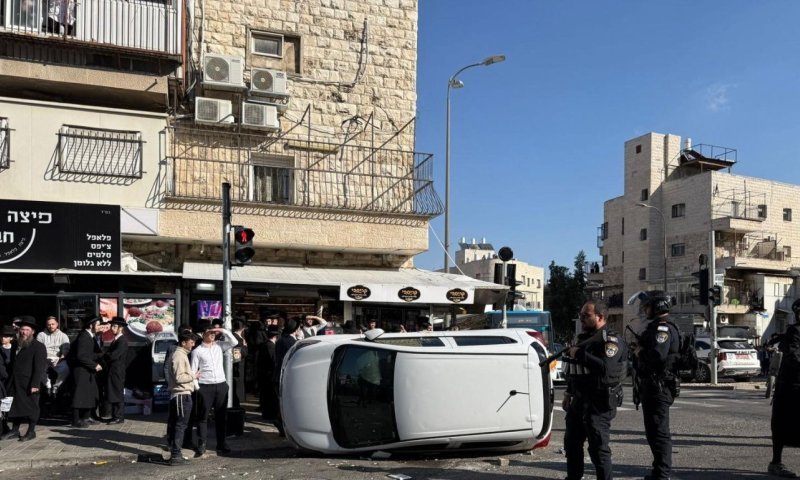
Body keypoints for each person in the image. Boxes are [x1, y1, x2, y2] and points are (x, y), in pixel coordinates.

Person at [561, 300, 626, 480]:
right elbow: (576, 370)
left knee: (598, 448)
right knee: (572, 443)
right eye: (581, 315)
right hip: (580, 399)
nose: (581, 318)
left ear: (600, 317)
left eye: (586, 315)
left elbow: (605, 367)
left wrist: (579, 353)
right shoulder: (584, 339)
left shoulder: (611, 340)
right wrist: (569, 392)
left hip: (599, 400)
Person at [631, 292, 680, 480]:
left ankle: (662, 474)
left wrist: (639, 351)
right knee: (653, 431)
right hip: (653, 385)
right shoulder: (656, 327)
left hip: (659, 386)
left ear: (657, 307)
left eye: (648, 306)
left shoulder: (662, 329)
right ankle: (658, 470)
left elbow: (657, 357)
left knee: (659, 432)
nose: (645, 309)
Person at [190, 321, 238, 456]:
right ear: (202, 334)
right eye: (209, 332)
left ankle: (221, 444)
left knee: (221, 417)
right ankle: (202, 444)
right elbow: (193, 372)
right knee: (203, 417)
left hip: (221, 385)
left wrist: (222, 330)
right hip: (205, 387)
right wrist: (198, 388)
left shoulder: (219, 346)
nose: (212, 334)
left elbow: (234, 342)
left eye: (213, 332)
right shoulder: (197, 351)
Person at [769, 298, 800, 477]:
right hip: (791, 386)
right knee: (782, 425)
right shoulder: (794, 331)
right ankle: (776, 462)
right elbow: (794, 356)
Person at [2, 316, 47, 442]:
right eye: (22, 329)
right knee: (16, 406)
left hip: (30, 383)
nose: (24, 332)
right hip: (15, 382)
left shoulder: (38, 346)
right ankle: (15, 430)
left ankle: (31, 431)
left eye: (27, 330)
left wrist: (35, 384)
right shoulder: (16, 344)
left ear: (32, 332)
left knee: (32, 407)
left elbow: (39, 368)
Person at [166, 331, 199, 466]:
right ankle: (176, 455)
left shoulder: (181, 354)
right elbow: (179, 378)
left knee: (178, 425)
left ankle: (176, 454)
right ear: (184, 342)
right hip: (181, 395)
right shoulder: (179, 356)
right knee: (180, 426)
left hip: (181, 395)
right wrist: (194, 376)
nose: (193, 345)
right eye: (191, 342)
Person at [69, 316, 104, 428]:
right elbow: (81, 356)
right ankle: (75, 420)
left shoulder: (90, 336)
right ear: (91, 325)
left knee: (90, 394)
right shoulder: (84, 336)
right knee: (79, 395)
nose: (99, 327)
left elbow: (89, 354)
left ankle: (86, 417)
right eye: (97, 325)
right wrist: (94, 365)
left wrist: (101, 355)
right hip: (80, 371)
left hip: (87, 370)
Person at [273, 317, 302, 435]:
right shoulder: (292, 342)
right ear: (296, 329)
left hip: (278, 373)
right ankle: (281, 422)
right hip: (286, 376)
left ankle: (281, 422)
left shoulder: (281, 339)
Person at [36, 316, 70, 397]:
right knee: (38, 368)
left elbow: (66, 349)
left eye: (53, 324)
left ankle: (56, 386)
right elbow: (38, 348)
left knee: (65, 370)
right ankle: (47, 384)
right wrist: (44, 358)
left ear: (57, 324)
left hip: (57, 358)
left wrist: (60, 359)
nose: (51, 326)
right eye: (49, 324)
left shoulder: (63, 335)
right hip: (45, 358)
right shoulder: (41, 335)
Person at [103, 318, 128, 424]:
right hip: (113, 370)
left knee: (117, 393)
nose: (112, 329)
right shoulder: (116, 340)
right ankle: (115, 415)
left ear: (120, 328)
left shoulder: (122, 341)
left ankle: (119, 416)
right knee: (113, 392)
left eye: (114, 326)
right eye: (112, 326)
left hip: (117, 371)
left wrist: (106, 355)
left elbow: (113, 355)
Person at [258, 326, 279, 421]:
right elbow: (273, 361)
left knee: (266, 396)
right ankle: (268, 415)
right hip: (268, 375)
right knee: (268, 396)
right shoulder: (270, 346)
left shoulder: (264, 344)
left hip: (264, 375)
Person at [0, 324, 14, 436]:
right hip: (3, 381)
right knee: (3, 405)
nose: (3, 338)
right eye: (1, 336)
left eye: (5, 336)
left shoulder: (15, 350)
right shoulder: (0, 350)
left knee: (9, 404)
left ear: (11, 338)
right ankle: (3, 426)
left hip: (12, 381)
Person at [231, 319, 248, 408]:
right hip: (237, 367)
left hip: (238, 366)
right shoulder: (237, 339)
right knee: (236, 388)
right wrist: (245, 347)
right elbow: (237, 356)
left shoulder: (236, 337)